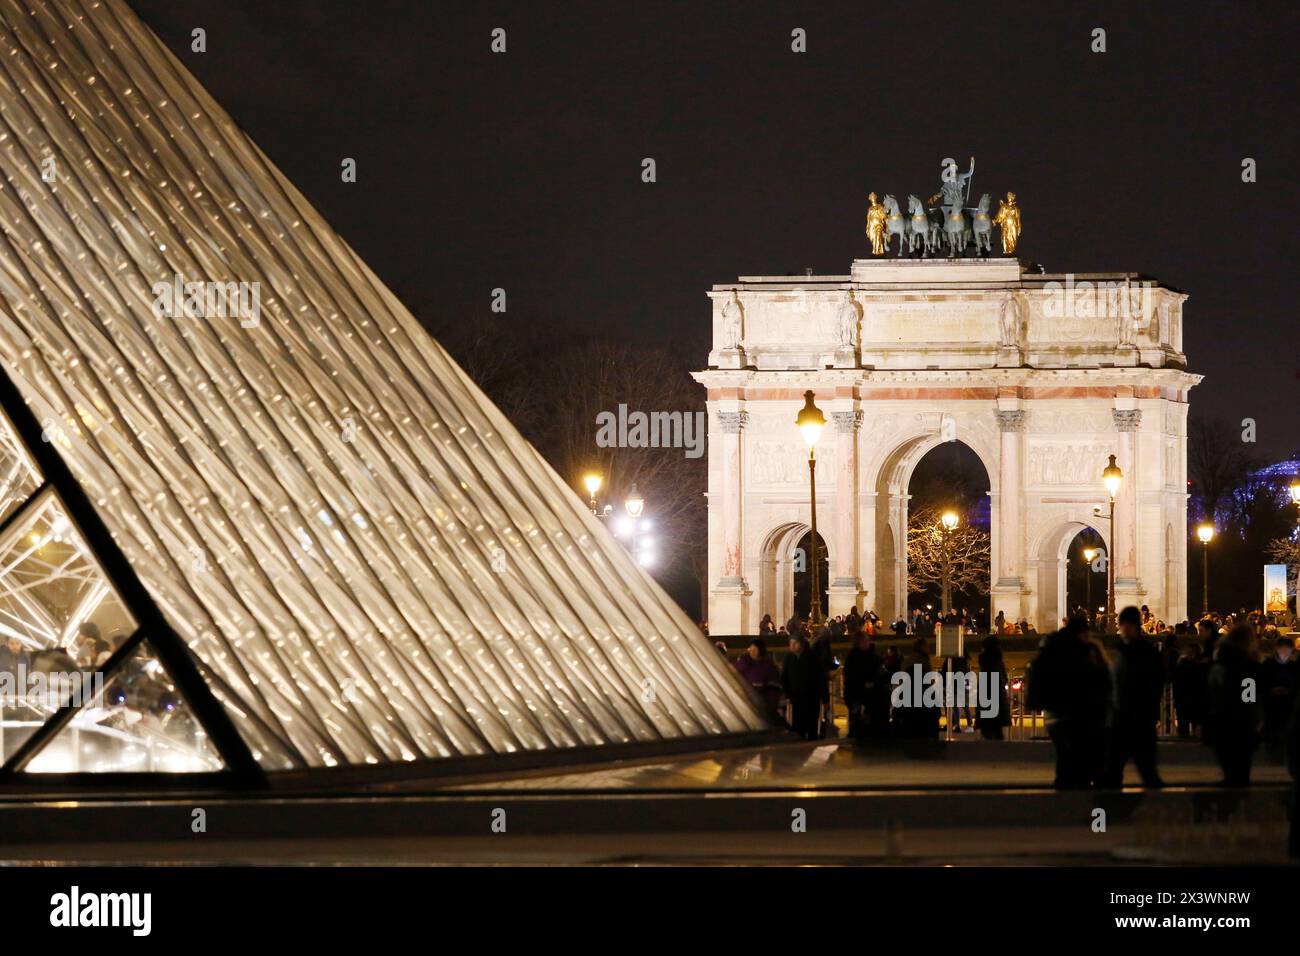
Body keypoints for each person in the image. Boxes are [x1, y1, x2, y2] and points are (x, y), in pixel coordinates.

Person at [1027, 616, 1110, 788]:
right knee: (1080, 756)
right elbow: (1098, 681)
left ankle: (1065, 793)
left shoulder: (1050, 646)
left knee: (1065, 756)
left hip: (1053, 714)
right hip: (1076, 714)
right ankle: (1081, 795)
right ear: (1082, 633)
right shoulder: (1081, 650)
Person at [1104, 606, 1165, 788]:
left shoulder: (1137, 653)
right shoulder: (1130, 651)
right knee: (1125, 770)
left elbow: (1152, 687)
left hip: (1136, 720)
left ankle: (1112, 811)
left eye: (1123, 625)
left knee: (1141, 770)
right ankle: (1113, 811)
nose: (1122, 629)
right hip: (1126, 720)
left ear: (1131, 626)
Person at [1204, 624, 1262, 787]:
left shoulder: (1219, 664)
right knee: (1241, 772)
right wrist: (1255, 721)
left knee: (1228, 769)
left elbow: (1211, 692)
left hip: (1219, 719)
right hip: (1241, 722)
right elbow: (1249, 696)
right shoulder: (1247, 666)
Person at [1260, 635, 1299, 759]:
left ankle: (1280, 753)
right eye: (1283, 649)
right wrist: (1271, 690)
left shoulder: (1294, 666)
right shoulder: (1267, 665)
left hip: (1288, 703)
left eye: (1288, 649)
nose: (1285, 652)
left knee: (1284, 729)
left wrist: (1289, 691)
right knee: (1273, 728)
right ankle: (1274, 752)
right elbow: (1261, 683)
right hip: (1271, 703)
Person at [843, 631, 885, 738]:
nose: (867, 643)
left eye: (867, 641)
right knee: (857, 718)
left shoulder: (872, 656)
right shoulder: (854, 657)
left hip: (870, 692)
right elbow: (851, 676)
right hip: (857, 692)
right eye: (864, 641)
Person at [781, 635, 823, 740]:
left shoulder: (812, 657)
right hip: (796, 697)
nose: (792, 646)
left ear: (802, 644)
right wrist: (787, 693)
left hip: (811, 696)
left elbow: (819, 677)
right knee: (798, 725)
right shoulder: (789, 658)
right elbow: (784, 677)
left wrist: (823, 695)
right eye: (791, 643)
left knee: (811, 723)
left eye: (795, 643)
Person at [735, 638, 782, 716]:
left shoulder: (769, 667)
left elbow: (773, 688)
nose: (752, 652)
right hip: (745, 704)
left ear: (761, 650)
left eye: (755, 649)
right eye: (751, 649)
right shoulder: (744, 663)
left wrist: (771, 705)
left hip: (762, 704)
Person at [977, 634, 1010, 740]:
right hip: (997, 696)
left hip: (985, 695)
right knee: (997, 729)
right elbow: (1004, 679)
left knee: (987, 728)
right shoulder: (998, 660)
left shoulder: (983, 660)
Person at [1172, 638, 1207, 738]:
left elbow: (1176, 682)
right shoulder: (1200, 666)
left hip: (1183, 699)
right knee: (1197, 724)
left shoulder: (1181, 666)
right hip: (1197, 699)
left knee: (1183, 726)